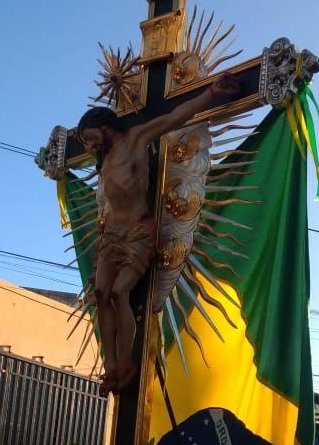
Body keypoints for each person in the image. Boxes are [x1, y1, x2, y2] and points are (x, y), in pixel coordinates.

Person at [77, 71, 240, 396]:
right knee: (99, 295)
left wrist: (211, 94)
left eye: (91, 137)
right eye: (85, 142)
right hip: (111, 234)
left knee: (120, 293)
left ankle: (126, 361)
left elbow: (176, 115)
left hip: (138, 230)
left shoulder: (136, 138)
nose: (89, 144)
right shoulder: (105, 158)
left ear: (104, 125)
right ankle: (110, 364)